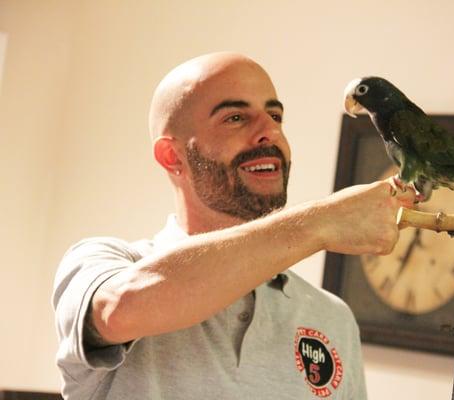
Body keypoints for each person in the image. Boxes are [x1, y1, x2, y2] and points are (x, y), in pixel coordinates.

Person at [52, 52, 415, 399]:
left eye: (275, 116)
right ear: (171, 155)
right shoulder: (102, 263)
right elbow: (121, 309)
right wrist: (320, 222)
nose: (269, 133)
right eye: (235, 118)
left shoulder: (332, 319)